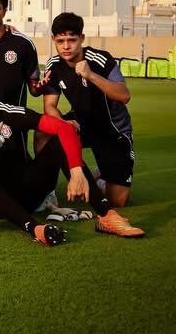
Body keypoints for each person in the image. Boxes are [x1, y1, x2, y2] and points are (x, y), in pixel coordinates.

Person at [0, 69, 144, 244]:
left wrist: (76, 170)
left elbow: (63, 128)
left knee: (57, 141)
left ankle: (105, 215)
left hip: (27, 190)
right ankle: (35, 228)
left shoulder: (11, 113)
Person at [42, 12, 137, 208]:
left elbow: (123, 95)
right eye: (60, 41)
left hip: (112, 130)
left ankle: (99, 175)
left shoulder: (100, 59)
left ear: (82, 38)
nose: (66, 46)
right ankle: (48, 191)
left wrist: (90, 75)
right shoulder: (54, 65)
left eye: (71, 40)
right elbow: (49, 106)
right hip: (82, 123)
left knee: (118, 200)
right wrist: (63, 124)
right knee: (43, 132)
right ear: (53, 40)